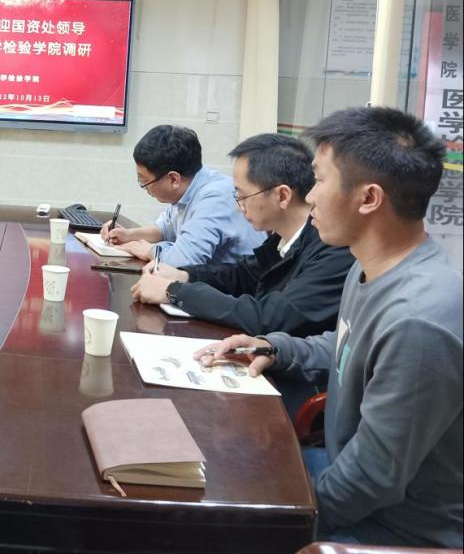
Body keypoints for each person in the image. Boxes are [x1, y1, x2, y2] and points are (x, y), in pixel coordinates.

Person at [196, 108, 462, 547]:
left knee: (209, 523)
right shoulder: (371, 265)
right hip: (343, 473)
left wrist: (277, 524)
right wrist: (275, 347)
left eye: (319, 180)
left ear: (369, 198)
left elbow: (371, 478)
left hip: (394, 529)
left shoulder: (418, 320)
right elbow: (347, 346)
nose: (311, 196)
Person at [130, 133, 354, 337]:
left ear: (282, 196)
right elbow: (242, 275)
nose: (238, 208)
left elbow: (270, 317)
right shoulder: (283, 239)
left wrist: (174, 291)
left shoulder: (332, 250)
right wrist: (183, 276)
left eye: (243, 196)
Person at [101, 125, 264, 265]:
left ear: (173, 179)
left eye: (144, 181)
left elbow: (184, 260)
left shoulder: (215, 197)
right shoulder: (190, 185)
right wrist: (129, 235)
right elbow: (165, 228)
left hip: (235, 289)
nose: (144, 188)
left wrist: (151, 250)